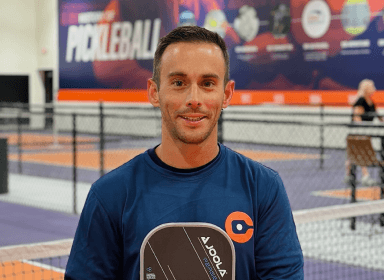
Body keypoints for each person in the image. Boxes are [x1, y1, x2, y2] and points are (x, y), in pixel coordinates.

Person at [65, 26, 304, 279]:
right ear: (154, 92)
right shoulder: (110, 195)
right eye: (179, 83)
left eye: (208, 83)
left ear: (227, 94)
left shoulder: (263, 188)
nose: (194, 98)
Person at [345, 79, 384, 186]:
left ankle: (348, 175)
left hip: (366, 131)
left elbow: (378, 116)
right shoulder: (360, 101)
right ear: (366, 89)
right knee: (361, 153)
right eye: (372, 87)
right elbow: (357, 117)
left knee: (354, 154)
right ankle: (365, 176)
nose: (374, 89)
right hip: (358, 132)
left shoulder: (371, 102)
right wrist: (361, 131)